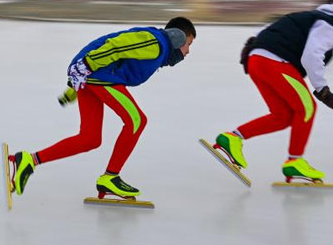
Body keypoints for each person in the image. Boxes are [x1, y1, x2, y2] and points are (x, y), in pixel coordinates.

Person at [10, 17, 196, 199]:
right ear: (177, 36)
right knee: (137, 121)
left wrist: (75, 85)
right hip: (98, 73)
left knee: (90, 139)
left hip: (92, 75)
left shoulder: (158, 49)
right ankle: (110, 177)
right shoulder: (155, 42)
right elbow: (116, 46)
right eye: (188, 44)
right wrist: (86, 66)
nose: (187, 52)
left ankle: (29, 160)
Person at [213, 0, 333, 183]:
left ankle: (232, 138)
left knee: (283, 116)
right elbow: (311, 56)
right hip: (275, 62)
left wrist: (255, 45)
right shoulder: (332, 26)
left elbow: (273, 27)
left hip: (257, 60)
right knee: (307, 108)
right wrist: (325, 93)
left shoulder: (316, 16)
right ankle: (295, 161)